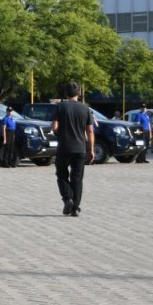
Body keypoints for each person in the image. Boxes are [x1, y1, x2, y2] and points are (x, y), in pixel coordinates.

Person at [52, 81, 94, 217]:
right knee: (77, 178)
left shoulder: (61, 106)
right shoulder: (85, 109)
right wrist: (91, 150)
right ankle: (75, 207)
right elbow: (90, 131)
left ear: (66, 93)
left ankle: (68, 199)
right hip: (80, 148)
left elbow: (54, 127)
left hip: (64, 147)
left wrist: (60, 136)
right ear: (79, 93)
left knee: (61, 174)